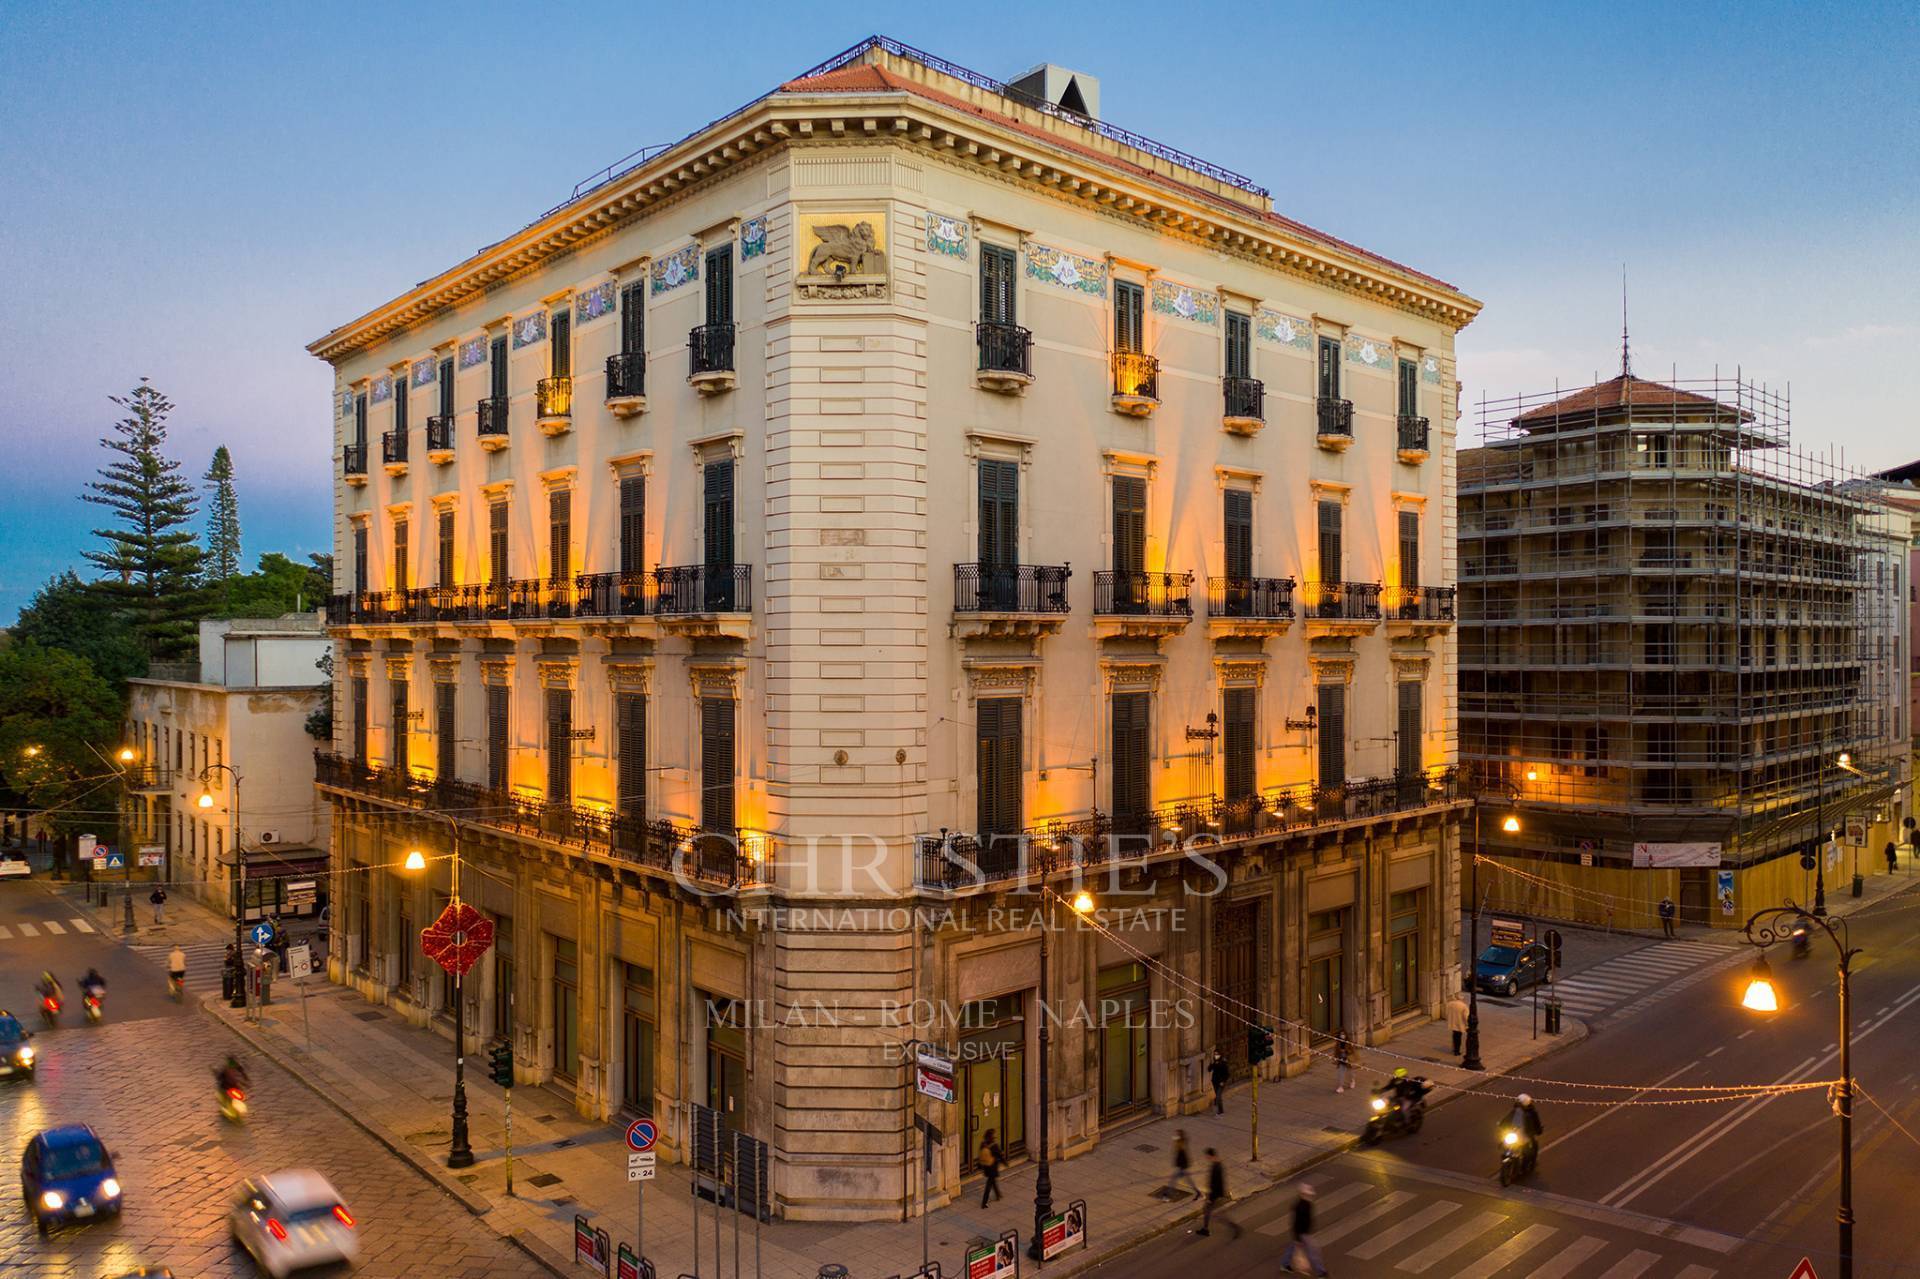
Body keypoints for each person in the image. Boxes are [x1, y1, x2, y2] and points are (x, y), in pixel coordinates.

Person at [1287, 1182, 1331, 1276]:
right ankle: (1321, 1272)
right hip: (1303, 1233)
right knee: (1314, 1252)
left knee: (1293, 1248)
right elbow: (1297, 1223)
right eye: (1308, 1194)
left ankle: (1285, 1265)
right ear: (1303, 1194)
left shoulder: (1307, 1204)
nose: (1310, 1196)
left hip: (1303, 1233)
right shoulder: (1301, 1207)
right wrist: (1298, 1237)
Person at [1198, 1147, 1238, 1238]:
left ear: (1210, 1155)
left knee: (1213, 1213)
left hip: (1214, 1194)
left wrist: (1209, 1197)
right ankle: (1205, 1229)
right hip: (1217, 1193)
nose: (1206, 1158)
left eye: (1207, 1156)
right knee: (1210, 1211)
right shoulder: (1218, 1164)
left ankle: (1232, 1226)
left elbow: (1214, 1183)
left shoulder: (1215, 1167)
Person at [1507, 1092, 1544, 1167]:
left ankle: (1531, 1162)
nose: (1518, 1105)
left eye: (1520, 1104)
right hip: (1516, 1132)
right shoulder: (1515, 1111)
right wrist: (1501, 1125)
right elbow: (1508, 1118)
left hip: (1527, 1134)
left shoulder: (1532, 1113)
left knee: (1532, 1147)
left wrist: (1538, 1130)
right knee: (1505, 1142)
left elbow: (1537, 1123)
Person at [1164, 1128, 1199, 1198]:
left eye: (1177, 1134)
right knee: (1187, 1180)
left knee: (1174, 1180)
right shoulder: (1181, 1142)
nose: (1176, 1135)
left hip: (1182, 1166)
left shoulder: (1181, 1144)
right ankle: (1197, 1192)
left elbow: (1180, 1151)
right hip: (1182, 1166)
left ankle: (1167, 1194)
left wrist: (1176, 1141)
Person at [977, 1130, 1004, 1208]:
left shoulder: (983, 1144)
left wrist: (979, 1165)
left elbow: (980, 1155)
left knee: (993, 1181)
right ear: (992, 1137)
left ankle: (998, 1195)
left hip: (986, 1167)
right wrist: (1005, 1163)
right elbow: (1000, 1155)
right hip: (992, 1167)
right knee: (989, 1185)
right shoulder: (994, 1145)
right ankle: (984, 1203)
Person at [1446, 990, 1470, 1057]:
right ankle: (1457, 1051)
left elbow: (1447, 1013)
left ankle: (1454, 1048)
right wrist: (1467, 1024)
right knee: (1458, 1037)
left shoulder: (1450, 1003)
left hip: (1452, 1022)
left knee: (1454, 1036)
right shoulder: (1464, 1006)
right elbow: (1466, 1017)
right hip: (1460, 1024)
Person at [1209, 1049, 1230, 1115]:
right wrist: (1212, 1064)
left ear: (1220, 1055)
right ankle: (1216, 1102)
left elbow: (1227, 1074)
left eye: (1217, 1054)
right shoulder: (1215, 1062)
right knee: (1217, 1095)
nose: (1216, 1056)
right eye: (1215, 1054)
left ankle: (1220, 1111)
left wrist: (1223, 1081)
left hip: (1221, 1083)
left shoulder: (1223, 1063)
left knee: (1218, 1096)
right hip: (1215, 1081)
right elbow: (1209, 1069)